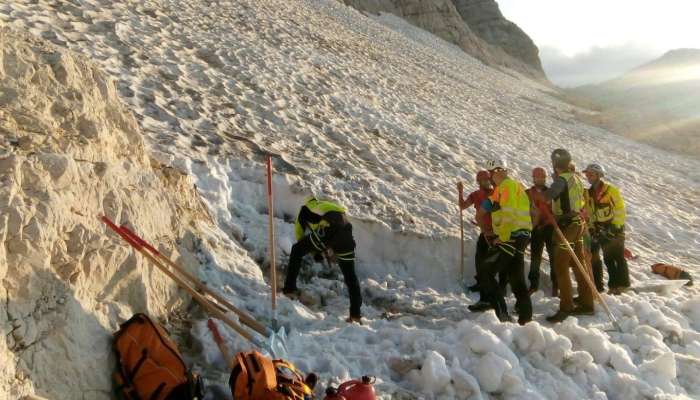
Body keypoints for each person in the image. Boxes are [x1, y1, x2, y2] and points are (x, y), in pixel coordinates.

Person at [282, 197, 362, 323]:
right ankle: (355, 315)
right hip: (346, 233)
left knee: (297, 250)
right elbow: (332, 234)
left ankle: (289, 289)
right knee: (350, 275)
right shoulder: (329, 206)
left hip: (330, 227)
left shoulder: (305, 209)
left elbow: (299, 235)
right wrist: (318, 250)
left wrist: (312, 250)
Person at [473, 159, 533, 325]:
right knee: (517, 279)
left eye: (491, 174)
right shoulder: (513, 187)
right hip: (522, 235)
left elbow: (508, 212)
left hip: (511, 236)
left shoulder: (506, 186)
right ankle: (526, 321)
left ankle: (502, 316)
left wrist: (503, 237)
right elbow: (492, 201)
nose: (490, 178)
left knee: (486, 271)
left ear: (497, 171)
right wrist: (483, 210)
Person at [541, 149, 595, 323]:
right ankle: (587, 303)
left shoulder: (562, 180)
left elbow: (547, 197)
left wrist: (538, 195)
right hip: (578, 223)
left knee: (561, 265)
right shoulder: (576, 178)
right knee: (579, 264)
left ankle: (566, 307)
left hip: (567, 226)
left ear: (555, 165)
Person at [583, 163, 630, 295]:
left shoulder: (611, 190)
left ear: (599, 175)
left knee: (618, 257)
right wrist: (592, 228)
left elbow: (620, 209)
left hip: (615, 228)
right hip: (601, 230)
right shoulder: (588, 194)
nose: (588, 177)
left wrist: (615, 227)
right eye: (587, 174)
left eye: (591, 174)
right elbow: (589, 212)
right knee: (608, 259)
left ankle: (623, 285)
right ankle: (612, 286)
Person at [457, 170, 493, 295]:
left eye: (488, 180)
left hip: (496, 232)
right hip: (485, 231)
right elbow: (463, 206)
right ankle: (482, 283)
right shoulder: (475, 195)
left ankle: (490, 285)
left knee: (489, 259)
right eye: (484, 180)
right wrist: (460, 192)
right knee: (480, 258)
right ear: (479, 182)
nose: (487, 182)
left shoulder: (495, 194)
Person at [526, 167, 556, 296]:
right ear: (534, 178)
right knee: (535, 258)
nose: (540, 179)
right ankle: (533, 285)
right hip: (535, 228)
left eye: (542, 177)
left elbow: (555, 211)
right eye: (538, 177)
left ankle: (556, 285)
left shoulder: (551, 193)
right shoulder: (527, 193)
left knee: (554, 257)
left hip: (549, 228)